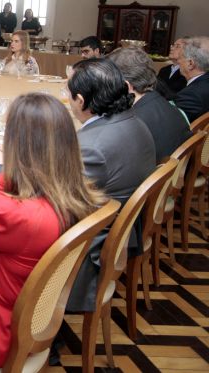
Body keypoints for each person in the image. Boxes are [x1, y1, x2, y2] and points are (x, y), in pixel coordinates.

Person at [0, 93, 105, 368]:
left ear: (18, 147)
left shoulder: (17, 213)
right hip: (25, 319)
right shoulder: (72, 191)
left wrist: (1, 172)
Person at [64, 58, 156, 313]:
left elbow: (57, 199)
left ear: (81, 101)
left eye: (69, 96)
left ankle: (46, 336)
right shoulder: (133, 121)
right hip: (119, 233)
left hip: (87, 253)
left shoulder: (93, 146)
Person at [107, 47, 192, 162]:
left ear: (126, 86)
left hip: (150, 176)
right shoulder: (167, 105)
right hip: (171, 174)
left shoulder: (132, 124)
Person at [174, 36, 209, 123]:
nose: (178, 62)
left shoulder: (191, 95)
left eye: (180, 58)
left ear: (190, 63)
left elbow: (170, 124)